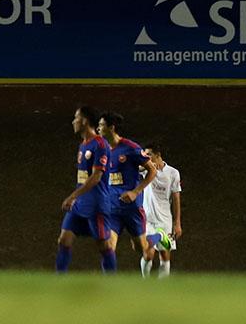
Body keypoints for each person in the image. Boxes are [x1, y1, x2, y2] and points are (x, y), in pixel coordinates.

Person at [56, 105, 116, 273]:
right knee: (64, 240)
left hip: (96, 204)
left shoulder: (100, 144)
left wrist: (72, 196)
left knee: (104, 245)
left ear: (84, 121)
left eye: (76, 117)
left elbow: (96, 177)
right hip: (80, 203)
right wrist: (76, 198)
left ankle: (112, 283)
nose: (74, 121)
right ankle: (59, 281)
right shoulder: (83, 145)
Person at [97, 112, 158, 266]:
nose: (98, 129)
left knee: (142, 250)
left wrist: (135, 192)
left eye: (101, 125)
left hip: (132, 209)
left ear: (111, 128)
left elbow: (152, 171)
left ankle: (157, 237)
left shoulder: (131, 148)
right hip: (112, 209)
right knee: (108, 248)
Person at [140, 143, 182, 278]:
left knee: (165, 255)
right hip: (148, 219)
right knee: (148, 252)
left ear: (158, 155)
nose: (147, 158)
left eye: (149, 155)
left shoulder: (173, 173)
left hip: (165, 220)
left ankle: (162, 288)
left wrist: (177, 223)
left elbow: (176, 198)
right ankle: (145, 283)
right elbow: (134, 167)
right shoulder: (146, 169)